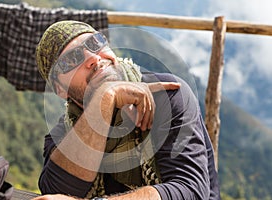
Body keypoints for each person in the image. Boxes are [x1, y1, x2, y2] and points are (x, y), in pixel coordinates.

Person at [33, 20, 220, 200]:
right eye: (72, 58)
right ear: (60, 89)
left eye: (94, 42)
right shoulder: (63, 134)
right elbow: (55, 190)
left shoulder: (168, 95)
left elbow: (191, 191)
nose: (93, 57)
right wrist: (104, 99)